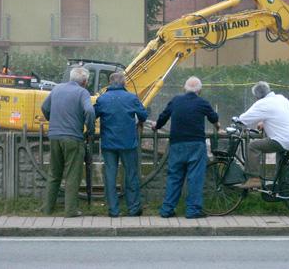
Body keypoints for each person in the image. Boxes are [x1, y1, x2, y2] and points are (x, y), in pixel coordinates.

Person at [151, 76, 220, 219]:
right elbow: (214, 118)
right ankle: (193, 210)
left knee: (174, 178)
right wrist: (218, 126)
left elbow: (163, 117)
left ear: (184, 88)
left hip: (177, 144)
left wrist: (156, 126)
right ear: (199, 90)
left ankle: (167, 210)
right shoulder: (203, 103)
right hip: (196, 145)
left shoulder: (175, 100)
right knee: (195, 178)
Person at [41, 66, 95, 217]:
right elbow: (90, 111)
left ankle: (47, 208)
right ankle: (70, 210)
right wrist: (89, 130)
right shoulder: (82, 92)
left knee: (54, 173)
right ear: (84, 81)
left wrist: (53, 121)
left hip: (54, 136)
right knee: (72, 175)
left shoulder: (57, 89)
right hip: (73, 138)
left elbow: (44, 107)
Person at [94, 72, 147, 217]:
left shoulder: (102, 99)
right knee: (131, 174)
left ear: (110, 83)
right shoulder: (131, 98)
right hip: (128, 143)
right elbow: (143, 115)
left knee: (110, 176)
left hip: (108, 143)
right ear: (124, 83)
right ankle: (134, 208)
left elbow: (93, 114)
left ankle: (113, 210)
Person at [235, 81, 289, 189]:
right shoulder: (281, 98)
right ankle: (281, 187)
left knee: (253, 146)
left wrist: (236, 122)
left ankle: (254, 179)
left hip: (285, 139)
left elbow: (244, 120)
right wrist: (264, 122)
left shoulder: (262, 103)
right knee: (281, 160)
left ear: (256, 96)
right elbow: (278, 115)